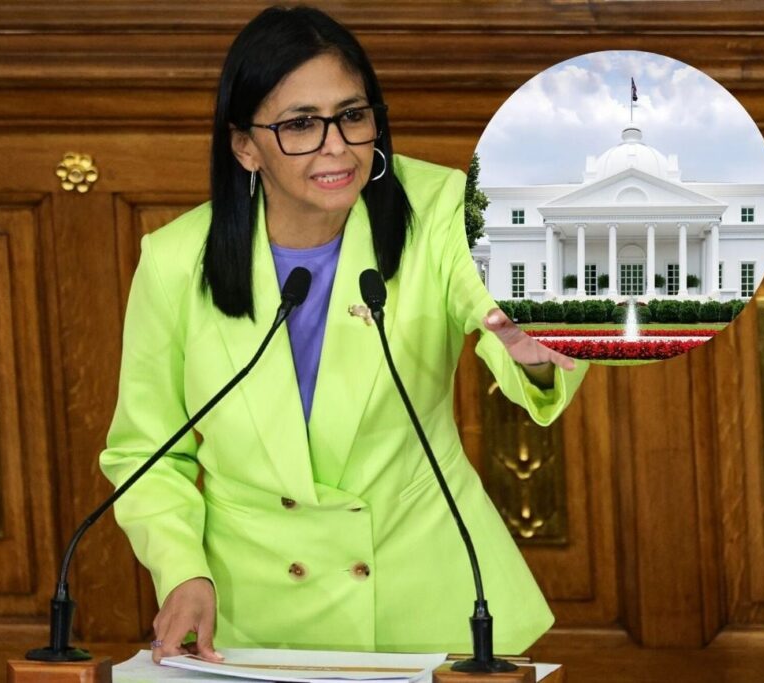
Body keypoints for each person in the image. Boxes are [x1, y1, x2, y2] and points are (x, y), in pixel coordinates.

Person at [99, 5, 588, 666]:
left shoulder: (441, 208)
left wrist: (531, 351)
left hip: (428, 606)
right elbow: (147, 453)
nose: (336, 146)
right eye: (301, 124)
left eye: (352, 116)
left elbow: (496, 311)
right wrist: (182, 570)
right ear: (245, 146)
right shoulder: (174, 261)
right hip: (255, 619)